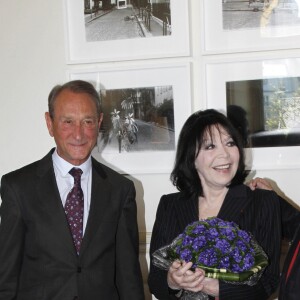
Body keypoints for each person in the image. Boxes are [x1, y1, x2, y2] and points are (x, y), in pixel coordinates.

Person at [0, 80, 144, 299]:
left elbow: (128, 278)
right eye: (68, 121)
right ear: (50, 123)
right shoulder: (18, 188)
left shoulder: (120, 190)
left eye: (88, 121)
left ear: (99, 123)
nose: (79, 134)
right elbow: (6, 278)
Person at [148, 109, 284, 300]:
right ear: (191, 158)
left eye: (230, 143)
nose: (225, 155)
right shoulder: (170, 205)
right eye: (210, 146)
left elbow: (268, 281)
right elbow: (155, 281)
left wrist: (218, 288)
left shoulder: (263, 201)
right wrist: (172, 281)